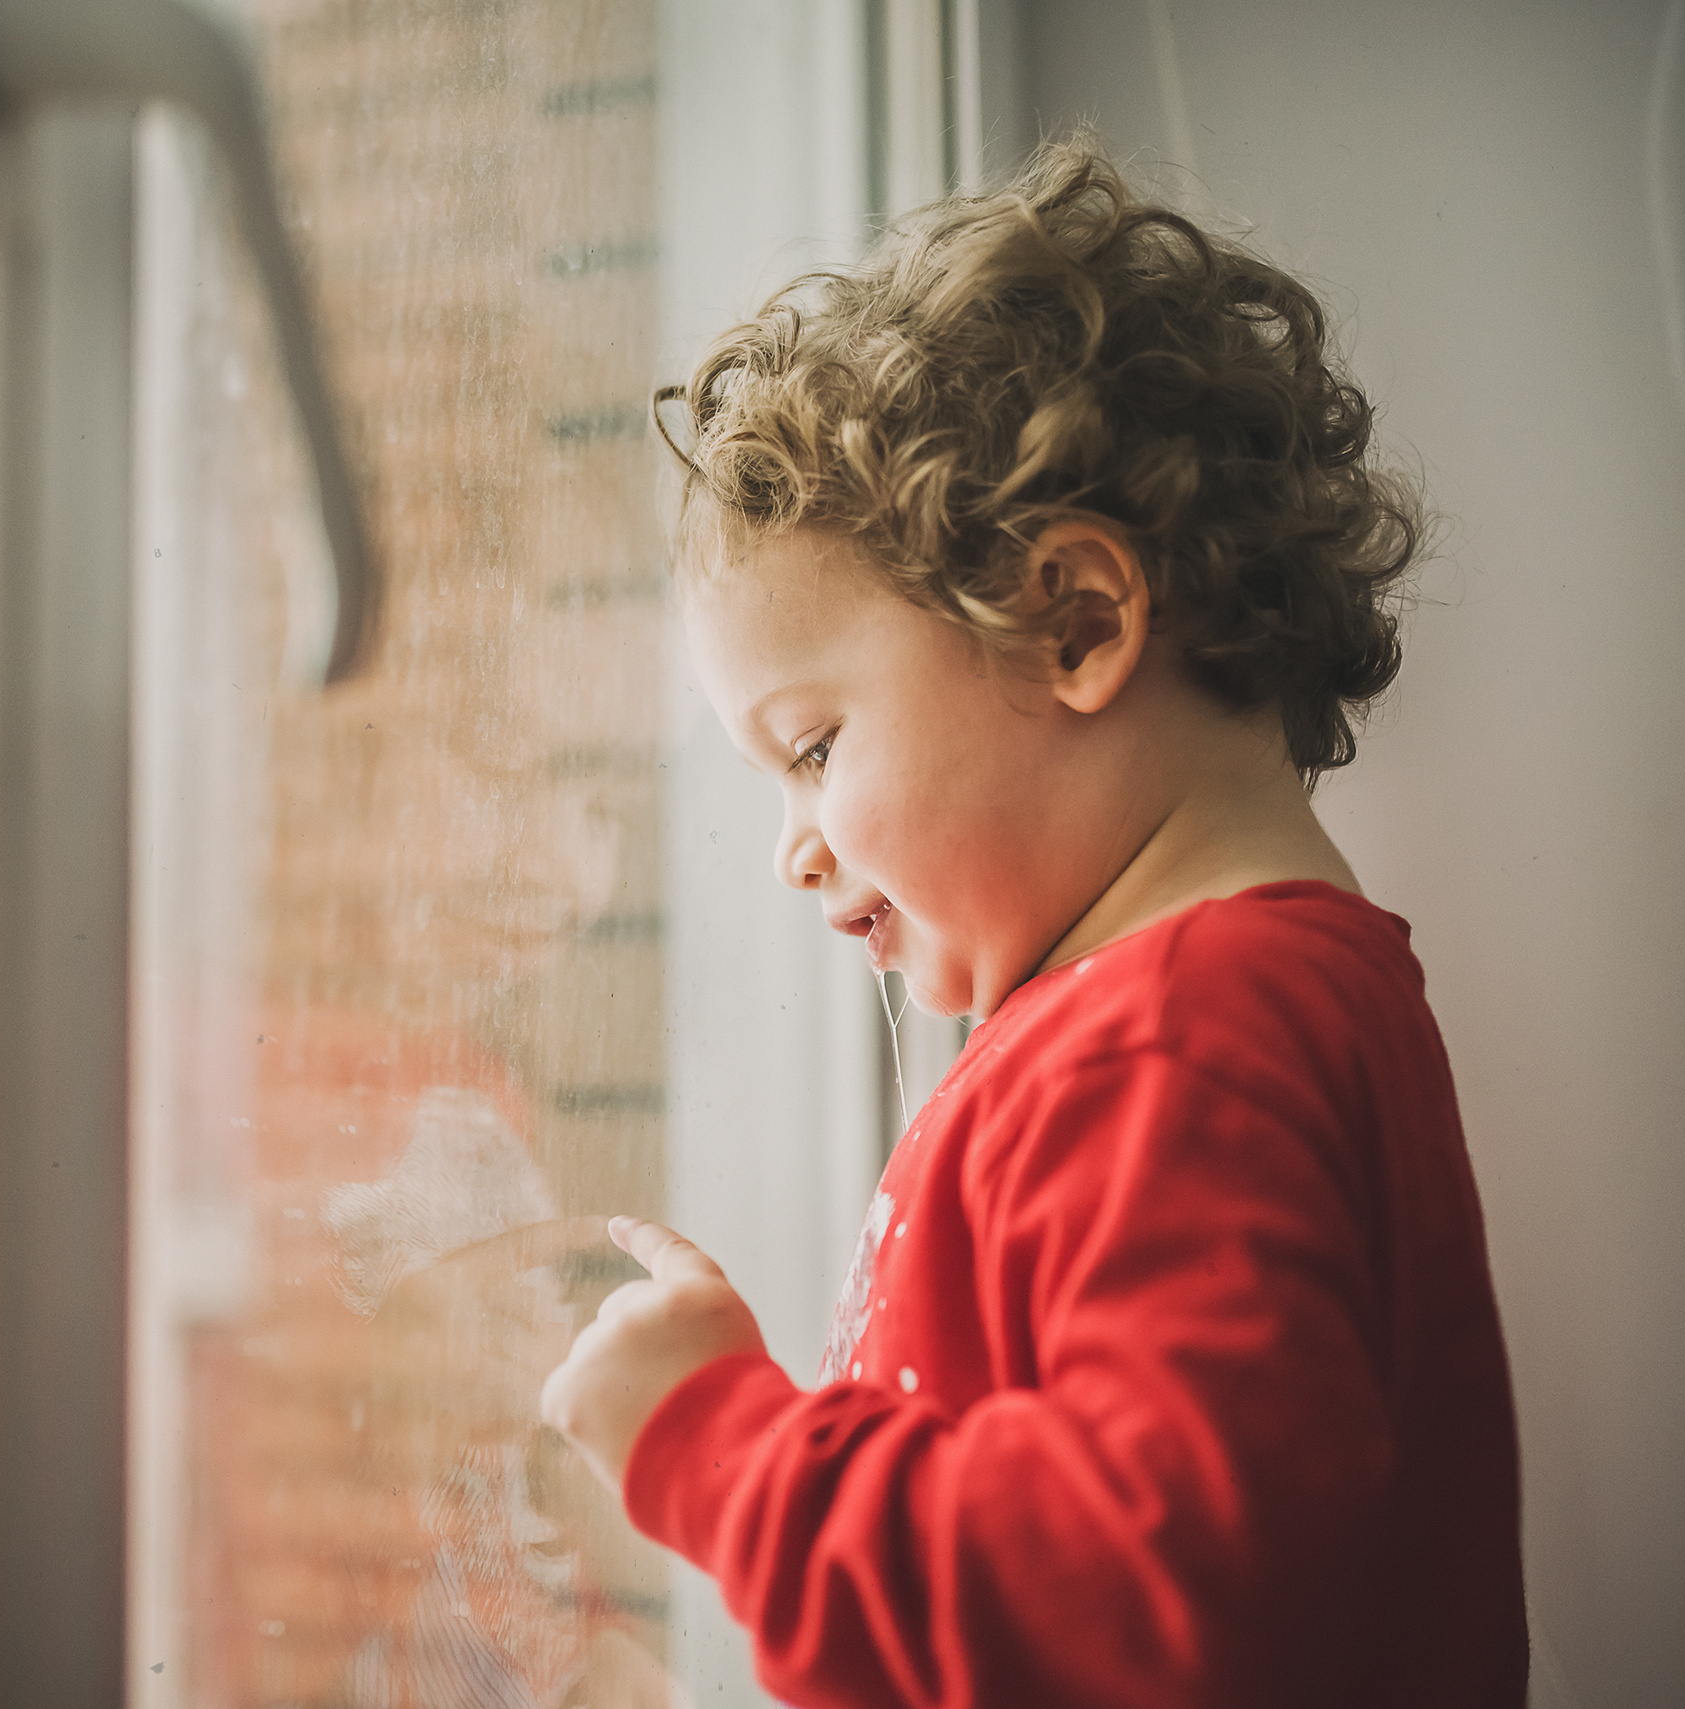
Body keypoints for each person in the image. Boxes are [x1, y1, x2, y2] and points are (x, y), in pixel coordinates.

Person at [538, 139, 1527, 1707]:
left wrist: (723, 1446)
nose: (793, 851)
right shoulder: (1247, 1004)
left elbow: (1147, 1591)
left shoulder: (1178, 1042)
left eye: (814, 747)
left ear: (1075, 621)